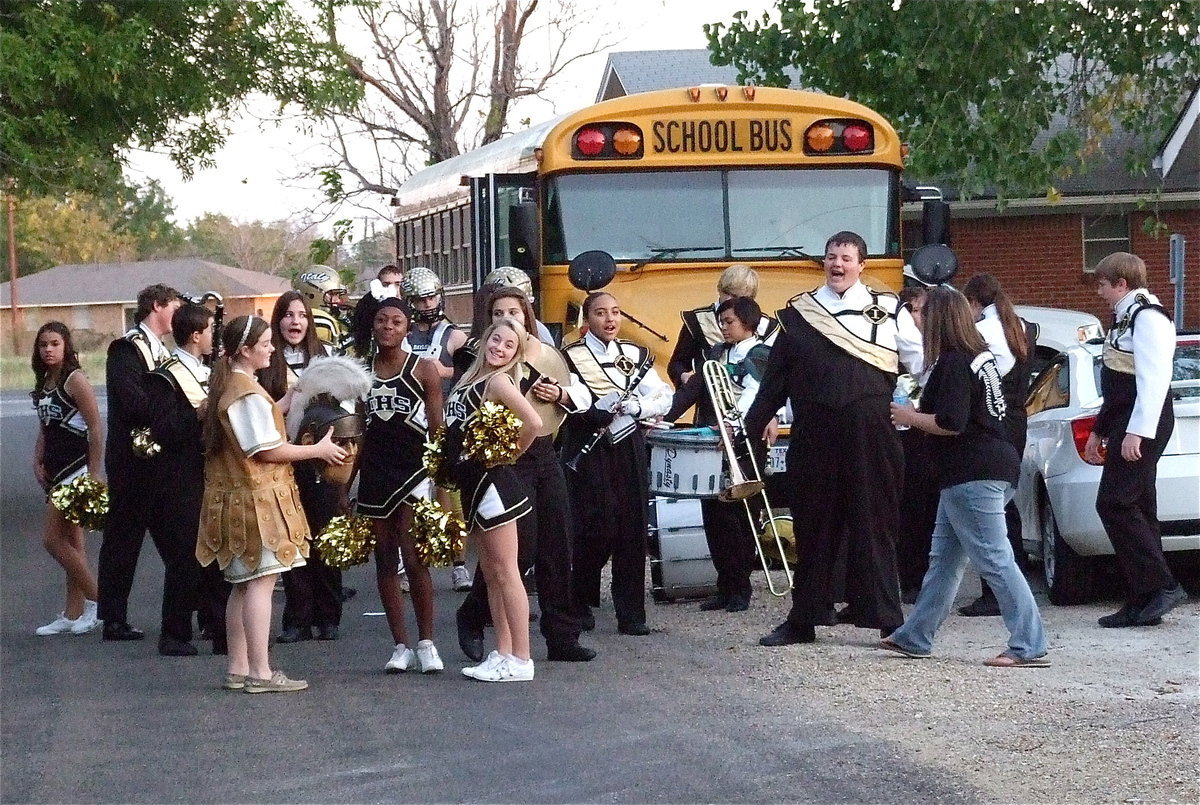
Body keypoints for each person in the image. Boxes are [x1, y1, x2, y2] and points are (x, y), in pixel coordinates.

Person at [746, 231, 921, 647]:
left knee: (874, 521)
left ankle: (886, 618)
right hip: (814, 433)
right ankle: (805, 617)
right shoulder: (798, 314)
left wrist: (925, 415)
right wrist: (751, 427)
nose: (837, 265)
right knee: (814, 524)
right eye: (830, 257)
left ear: (862, 265)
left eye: (846, 258)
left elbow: (920, 362)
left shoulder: (887, 308)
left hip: (871, 434)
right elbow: (775, 380)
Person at [884, 285, 1048, 667]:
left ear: (938, 318)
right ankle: (915, 636)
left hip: (972, 471)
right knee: (944, 559)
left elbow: (951, 422)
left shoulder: (955, 362)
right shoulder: (979, 357)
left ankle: (1029, 643)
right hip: (991, 464)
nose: (916, 319)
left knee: (994, 558)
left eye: (921, 313)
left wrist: (908, 417)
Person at [196, 316, 347, 693]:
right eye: (264, 343)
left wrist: (289, 400)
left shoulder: (236, 385)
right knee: (261, 585)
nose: (271, 348)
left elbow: (258, 425)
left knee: (242, 585)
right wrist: (319, 449)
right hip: (256, 504)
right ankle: (260, 673)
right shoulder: (244, 392)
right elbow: (265, 449)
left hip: (236, 501)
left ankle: (238, 666)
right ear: (245, 350)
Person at [456, 286, 596, 663]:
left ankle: (561, 636)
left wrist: (560, 396)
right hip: (508, 461)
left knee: (558, 543)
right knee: (517, 552)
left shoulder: (545, 354)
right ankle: (475, 614)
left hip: (545, 454)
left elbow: (582, 396)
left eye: (515, 313)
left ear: (527, 315)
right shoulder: (481, 357)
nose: (507, 319)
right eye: (499, 313)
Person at [560, 291, 673, 636]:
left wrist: (639, 409)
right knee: (595, 526)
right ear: (586, 319)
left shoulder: (636, 354)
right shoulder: (570, 356)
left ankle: (631, 612)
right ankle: (579, 600)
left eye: (615, 312)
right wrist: (599, 409)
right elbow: (572, 399)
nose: (609, 320)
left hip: (629, 447)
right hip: (589, 447)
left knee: (632, 526)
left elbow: (663, 395)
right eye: (600, 313)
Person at [1085, 252, 1187, 628]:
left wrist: (1137, 432)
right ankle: (1143, 598)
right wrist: (1100, 429)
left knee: (1114, 502)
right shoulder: (1125, 318)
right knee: (1140, 506)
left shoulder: (1148, 317)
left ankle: (1161, 586)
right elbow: (1118, 386)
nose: (1100, 292)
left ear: (1121, 284)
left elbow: (1154, 381)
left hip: (1145, 422)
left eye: (1102, 285)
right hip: (1128, 420)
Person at [448, 319, 543, 682]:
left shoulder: (499, 381)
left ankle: (521, 658)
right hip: (475, 485)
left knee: (507, 571)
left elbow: (533, 422)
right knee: (491, 573)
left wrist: (507, 455)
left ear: (515, 354)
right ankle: (502, 651)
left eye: (509, 346)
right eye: (496, 339)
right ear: (485, 339)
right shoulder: (470, 379)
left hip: (494, 486)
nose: (499, 348)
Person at [357, 298, 447, 674]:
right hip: (375, 472)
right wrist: (344, 484)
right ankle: (400, 645)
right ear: (373, 326)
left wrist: (440, 483)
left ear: (407, 328)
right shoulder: (360, 372)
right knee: (384, 559)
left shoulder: (423, 369)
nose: (388, 327)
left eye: (396, 321)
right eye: (382, 320)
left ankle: (426, 642)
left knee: (414, 558)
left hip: (413, 472)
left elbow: (437, 429)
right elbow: (356, 431)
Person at [667, 296, 773, 612]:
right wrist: (664, 416)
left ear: (748, 324)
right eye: (722, 322)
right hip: (713, 439)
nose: (723, 327)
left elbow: (756, 396)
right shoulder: (715, 354)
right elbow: (693, 390)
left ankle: (741, 589)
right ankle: (725, 586)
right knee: (713, 516)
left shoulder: (762, 354)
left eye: (729, 322)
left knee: (739, 520)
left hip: (743, 443)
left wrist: (732, 425)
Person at [97, 283, 183, 644]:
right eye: (175, 308)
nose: (178, 316)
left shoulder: (162, 348)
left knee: (178, 540)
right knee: (123, 540)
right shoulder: (125, 348)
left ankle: (192, 609)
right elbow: (132, 400)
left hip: (160, 461)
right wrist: (173, 413)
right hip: (132, 462)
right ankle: (113, 619)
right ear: (156, 306)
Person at [260, 291, 345, 643]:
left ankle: (329, 616)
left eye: (302, 315)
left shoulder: (324, 359)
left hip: (322, 460)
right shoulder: (266, 361)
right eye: (288, 315)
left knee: (325, 536)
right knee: (291, 539)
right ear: (278, 320)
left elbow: (345, 411)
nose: (295, 322)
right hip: (281, 460)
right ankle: (297, 617)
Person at [958, 273, 1038, 617]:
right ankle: (1009, 584)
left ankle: (996, 592)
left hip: (995, 420)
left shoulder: (985, 332)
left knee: (992, 506)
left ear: (975, 303)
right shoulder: (1021, 326)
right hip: (1017, 419)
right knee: (1007, 504)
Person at [140, 301, 216, 656]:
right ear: (196, 334)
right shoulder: (164, 377)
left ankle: (219, 627)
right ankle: (174, 633)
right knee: (185, 557)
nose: (214, 336)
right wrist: (197, 414)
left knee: (215, 552)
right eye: (211, 330)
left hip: (209, 473)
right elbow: (161, 429)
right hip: (179, 479)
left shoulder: (208, 370)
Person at [400, 266, 472, 591]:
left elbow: (472, 373)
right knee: (410, 497)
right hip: (410, 426)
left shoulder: (454, 335)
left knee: (450, 495)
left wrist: (444, 371)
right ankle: (406, 565)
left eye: (432, 296)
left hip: (445, 422)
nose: (428, 304)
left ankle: (459, 565)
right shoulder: (402, 336)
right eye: (421, 298)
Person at [31, 322, 103, 636]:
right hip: (55, 469)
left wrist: (95, 473)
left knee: (52, 540)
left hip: (75, 469)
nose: (48, 349)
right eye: (43, 344)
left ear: (66, 346)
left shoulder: (75, 380)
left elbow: (96, 428)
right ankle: (73, 614)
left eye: (55, 343)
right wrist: (37, 459)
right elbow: (46, 427)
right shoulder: (46, 380)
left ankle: (100, 602)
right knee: (73, 542)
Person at [666, 264, 779, 419]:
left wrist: (775, 415)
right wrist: (683, 376)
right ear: (720, 290)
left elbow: (772, 381)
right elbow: (677, 364)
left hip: (752, 418)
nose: (735, 303)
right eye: (730, 295)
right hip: (709, 411)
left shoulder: (769, 326)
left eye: (742, 298)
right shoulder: (697, 321)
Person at [894, 285, 939, 604]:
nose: (917, 318)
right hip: (896, 434)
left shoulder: (934, 351)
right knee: (903, 509)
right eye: (912, 310)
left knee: (924, 509)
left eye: (921, 311)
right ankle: (906, 577)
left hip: (925, 434)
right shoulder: (892, 346)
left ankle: (922, 577)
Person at [351, 264, 404, 359]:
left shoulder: (412, 307)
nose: (393, 289)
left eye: (397, 284)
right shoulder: (367, 311)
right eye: (386, 284)